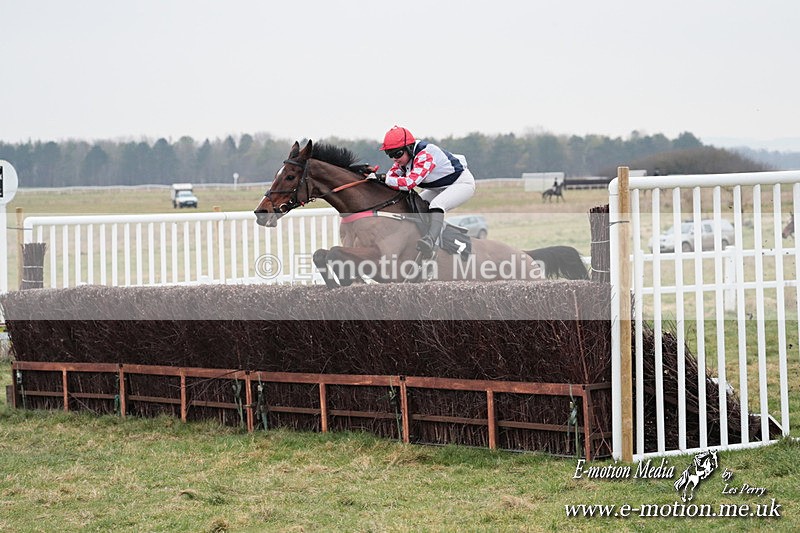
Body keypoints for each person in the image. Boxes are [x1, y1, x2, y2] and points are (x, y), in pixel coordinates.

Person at [375, 125, 476, 258]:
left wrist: (383, 178)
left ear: (409, 148)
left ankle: (430, 241)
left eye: (397, 154)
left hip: (461, 184)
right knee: (416, 206)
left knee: (436, 205)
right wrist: (374, 178)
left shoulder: (425, 155)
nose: (395, 159)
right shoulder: (403, 159)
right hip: (439, 187)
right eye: (390, 155)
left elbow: (409, 183)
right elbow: (391, 177)